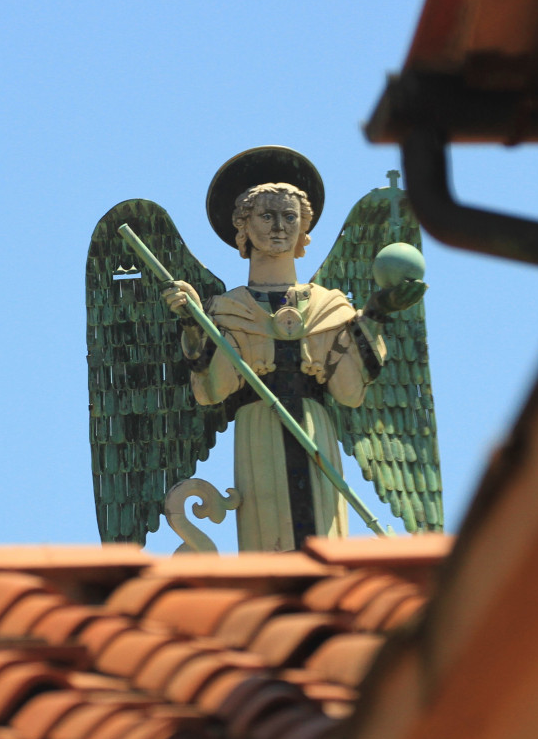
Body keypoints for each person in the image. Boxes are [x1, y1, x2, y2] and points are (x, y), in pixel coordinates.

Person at [162, 178, 421, 551]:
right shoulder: (230, 309)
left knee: (322, 545)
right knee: (271, 545)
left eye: (290, 216)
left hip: (316, 433)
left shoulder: (329, 306)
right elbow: (212, 392)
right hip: (259, 432)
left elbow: (349, 394)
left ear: (304, 227)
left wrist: (377, 313)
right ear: (244, 227)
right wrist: (192, 321)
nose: (280, 227)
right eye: (267, 216)